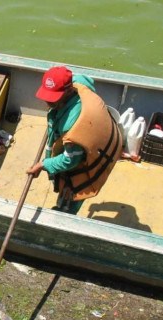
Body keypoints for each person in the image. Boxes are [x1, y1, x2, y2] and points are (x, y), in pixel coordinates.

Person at [26, 66, 122, 215]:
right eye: (47, 96)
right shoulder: (79, 82)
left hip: (86, 161)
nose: (47, 103)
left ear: (69, 90)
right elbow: (84, 78)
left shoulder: (72, 127)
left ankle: (67, 212)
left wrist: (43, 164)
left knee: (73, 193)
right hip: (91, 145)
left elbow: (70, 160)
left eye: (53, 99)